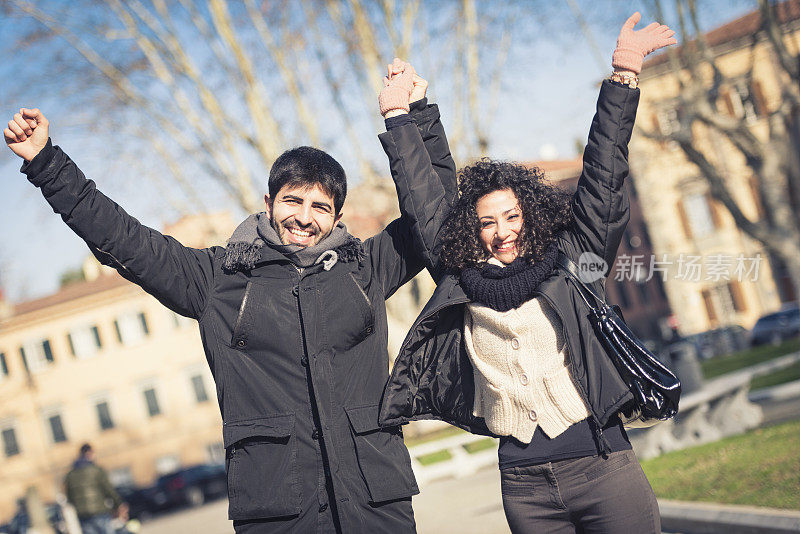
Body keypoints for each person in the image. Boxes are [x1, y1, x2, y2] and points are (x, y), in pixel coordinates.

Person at [4, 59, 456, 533]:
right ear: (268, 204)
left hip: (375, 502)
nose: (304, 217)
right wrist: (46, 163)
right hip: (279, 510)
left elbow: (439, 216)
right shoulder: (217, 279)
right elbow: (124, 239)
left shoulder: (364, 268)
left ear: (337, 216)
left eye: (320, 206)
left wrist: (414, 116)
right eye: (293, 200)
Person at [379, 14, 676, 533]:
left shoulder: (575, 262)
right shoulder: (458, 274)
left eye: (512, 216)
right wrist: (405, 116)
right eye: (488, 222)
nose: (502, 231)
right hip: (524, 486)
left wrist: (624, 75)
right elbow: (427, 204)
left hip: (604, 469)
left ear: (531, 214)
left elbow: (605, 174)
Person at [64, 443, 127, 534]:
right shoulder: (96, 470)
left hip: (82, 515)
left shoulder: (70, 475)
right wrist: (118, 505)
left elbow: (69, 497)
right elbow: (109, 490)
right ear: (89, 453)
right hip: (99, 512)